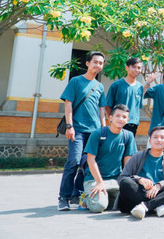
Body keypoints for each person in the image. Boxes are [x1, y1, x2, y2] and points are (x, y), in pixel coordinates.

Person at [58, 51, 107, 211]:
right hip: (77, 129)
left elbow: (101, 111)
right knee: (74, 161)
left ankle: (76, 194)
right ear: (87, 63)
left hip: (94, 132)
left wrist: (103, 130)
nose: (98, 65)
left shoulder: (100, 86)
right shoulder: (76, 81)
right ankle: (63, 197)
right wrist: (69, 126)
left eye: (101, 63)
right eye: (95, 62)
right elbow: (68, 104)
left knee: (88, 164)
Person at [117, 126, 164, 219]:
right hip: (139, 194)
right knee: (125, 182)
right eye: (155, 137)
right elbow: (121, 178)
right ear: (149, 141)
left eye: (162, 137)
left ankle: (145, 206)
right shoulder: (137, 156)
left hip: (159, 194)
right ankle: (156, 206)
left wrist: (159, 185)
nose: (158, 140)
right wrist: (139, 179)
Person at [82, 104, 137, 213]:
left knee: (132, 202)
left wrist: (128, 181)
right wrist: (99, 182)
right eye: (118, 116)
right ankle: (86, 199)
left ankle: (107, 198)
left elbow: (128, 161)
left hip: (116, 180)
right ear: (110, 118)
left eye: (124, 117)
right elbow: (90, 160)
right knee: (99, 207)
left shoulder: (128, 136)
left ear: (128, 120)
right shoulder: (98, 134)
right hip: (94, 180)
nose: (121, 119)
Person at [105, 57, 144, 136]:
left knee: (128, 148)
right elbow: (107, 105)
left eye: (139, 68)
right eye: (133, 67)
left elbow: (137, 107)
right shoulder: (117, 85)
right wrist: (112, 121)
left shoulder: (140, 87)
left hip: (133, 125)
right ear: (127, 68)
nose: (136, 70)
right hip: (118, 123)